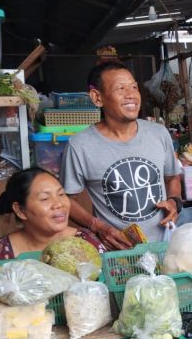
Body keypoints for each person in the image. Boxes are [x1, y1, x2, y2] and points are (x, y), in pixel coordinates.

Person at [61, 61, 182, 250]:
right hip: (118, 253)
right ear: (97, 98)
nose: (131, 94)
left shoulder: (159, 134)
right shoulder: (79, 146)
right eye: (121, 88)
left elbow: (172, 177)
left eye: (134, 87)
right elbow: (66, 199)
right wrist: (98, 227)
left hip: (165, 246)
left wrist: (174, 202)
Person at [0, 168, 104, 261]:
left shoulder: (87, 243)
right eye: (45, 198)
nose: (59, 204)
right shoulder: (0, 253)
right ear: (20, 210)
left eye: (61, 194)